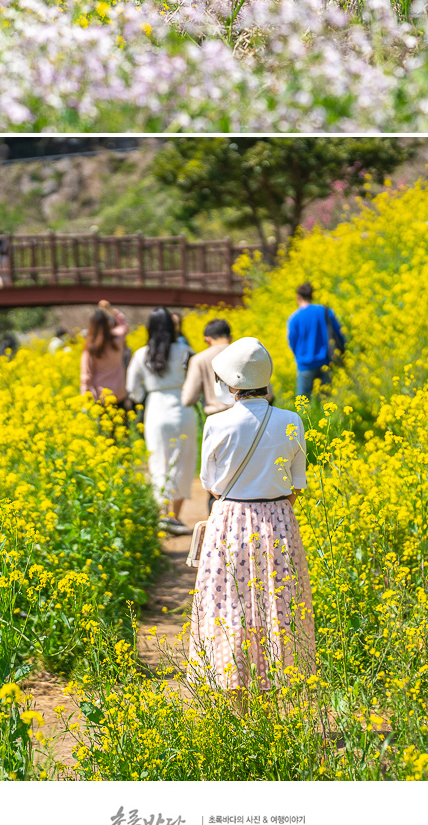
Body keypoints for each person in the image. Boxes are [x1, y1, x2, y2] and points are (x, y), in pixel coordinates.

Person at [188, 336, 316, 697]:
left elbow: (211, 485)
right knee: (280, 603)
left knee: (228, 603)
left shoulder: (216, 422)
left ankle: (231, 688)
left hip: (229, 519)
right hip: (278, 519)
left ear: (231, 385)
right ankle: (281, 686)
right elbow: (297, 484)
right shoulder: (292, 420)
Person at [127, 306, 197, 535]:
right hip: (182, 407)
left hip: (155, 410)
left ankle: (161, 514)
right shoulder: (185, 350)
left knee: (158, 461)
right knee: (182, 461)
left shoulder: (141, 354)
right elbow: (195, 382)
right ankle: (174, 517)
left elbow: (132, 389)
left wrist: (142, 396)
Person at [287, 281, 345, 399]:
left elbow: (291, 341)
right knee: (327, 402)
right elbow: (339, 333)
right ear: (312, 295)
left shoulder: (294, 318)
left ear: (298, 297)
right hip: (325, 361)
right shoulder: (325, 311)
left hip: (305, 365)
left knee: (303, 404)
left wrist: (299, 355)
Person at [80, 305, 131, 407]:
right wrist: (111, 309)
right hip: (119, 394)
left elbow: (86, 376)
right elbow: (124, 324)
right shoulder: (117, 340)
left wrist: (85, 399)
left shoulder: (91, 348)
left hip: (101, 398)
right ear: (108, 323)